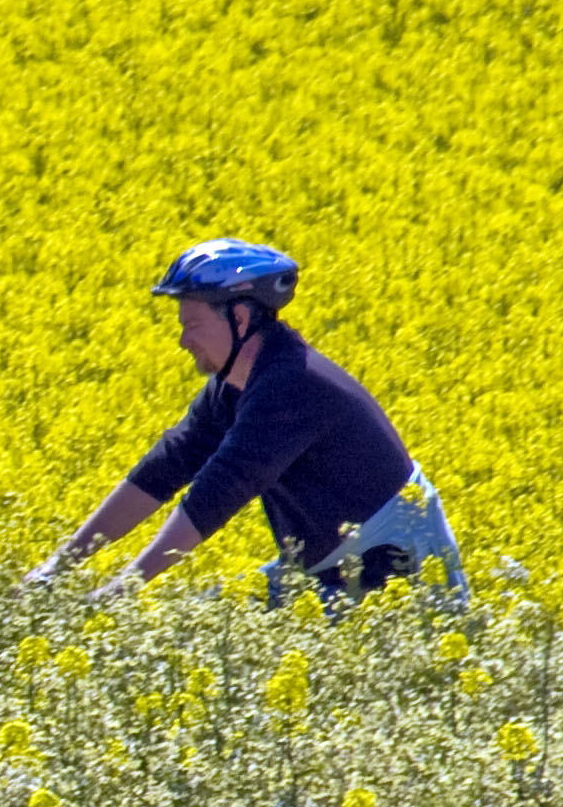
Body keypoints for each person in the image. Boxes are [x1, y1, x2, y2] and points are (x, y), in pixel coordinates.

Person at [23, 239, 465, 605]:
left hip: (395, 585)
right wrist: (58, 568)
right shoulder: (238, 383)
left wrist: (123, 589)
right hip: (326, 575)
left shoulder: (293, 384)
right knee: (187, 631)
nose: (183, 340)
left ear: (239, 317)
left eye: (192, 324)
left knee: (196, 646)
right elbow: (167, 466)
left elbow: (221, 489)